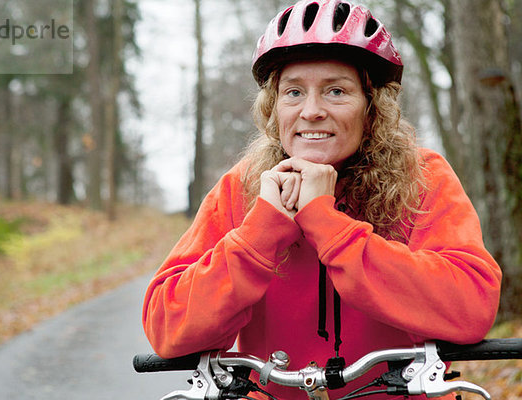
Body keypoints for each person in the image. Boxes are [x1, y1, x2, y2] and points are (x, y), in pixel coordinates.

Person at [142, 1, 502, 399]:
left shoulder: (423, 176)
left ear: (371, 108)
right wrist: (261, 232)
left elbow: (471, 308)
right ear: (273, 108)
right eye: (293, 92)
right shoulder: (241, 188)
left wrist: (326, 223)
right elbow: (167, 326)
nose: (311, 111)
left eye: (336, 91)